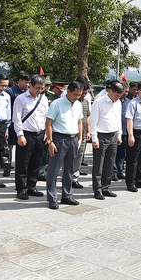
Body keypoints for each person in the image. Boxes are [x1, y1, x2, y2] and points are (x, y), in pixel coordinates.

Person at [45, 81, 85, 209]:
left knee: (69, 169)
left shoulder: (78, 104)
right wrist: (50, 142)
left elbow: (80, 122)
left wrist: (79, 139)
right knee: (54, 169)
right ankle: (52, 198)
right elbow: (48, 123)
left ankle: (67, 195)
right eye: (75, 94)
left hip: (73, 139)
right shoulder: (57, 104)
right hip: (59, 138)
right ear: (68, 91)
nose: (77, 97)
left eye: (79, 95)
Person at [12, 75, 48, 200]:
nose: (39, 91)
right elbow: (16, 118)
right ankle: (21, 189)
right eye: (37, 88)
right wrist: (20, 135)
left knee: (36, 162)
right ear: (30, 85)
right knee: (23, 163)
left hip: (40, 134)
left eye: (42, 88)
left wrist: (47, 133)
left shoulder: (43, 99)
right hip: (26, 134)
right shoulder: (21, 99)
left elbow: (45, 117)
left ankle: (32, 186)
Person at [90, 81, 124, 200]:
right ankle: (97, 189)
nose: (118, 98)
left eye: (120, 96)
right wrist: (94, 138)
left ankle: (106, 187)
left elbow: (118, 119)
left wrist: (119, 135)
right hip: (101, 136)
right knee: (99, 164)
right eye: (116, 95)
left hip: (113, 135)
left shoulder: (118, 102)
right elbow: (93, 121)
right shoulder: (99, 102)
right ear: (110, 91)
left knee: (109, 163)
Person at [5, 73, 30, 177]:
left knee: (22, 144)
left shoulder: (28, 92)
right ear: (19, 80)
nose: (27, 85)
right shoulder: (10, 92)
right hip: (12, 122)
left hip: (24, 123)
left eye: (29, 83)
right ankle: (7, 167)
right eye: (25, 82)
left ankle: (23, 168)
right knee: (8, 146)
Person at [71, 83, 92, 189]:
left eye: (85, 93)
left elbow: (88, 117)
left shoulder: (86, 102)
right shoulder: (72, 102)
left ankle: (75, 179)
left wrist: (88, 131)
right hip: (72, 134)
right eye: (82, 93)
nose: (83, 95)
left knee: (79, 158)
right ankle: (67, 178)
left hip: (83, 135)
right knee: (69, 159)